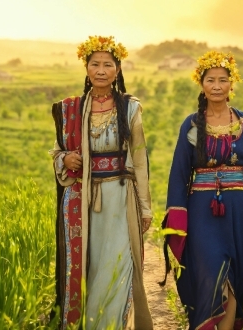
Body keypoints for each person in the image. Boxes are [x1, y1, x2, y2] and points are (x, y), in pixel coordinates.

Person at [161, 51, 243, 330]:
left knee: (235, 281)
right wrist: (177, 217)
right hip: (203, 212)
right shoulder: (191, 125)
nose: (216, 86)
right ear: (201, 84)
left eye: (222, 80)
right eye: (210, 80)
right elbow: (179, 174)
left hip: (239, 210)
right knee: (211, 273)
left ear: (231, 84)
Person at [49, 36, 153, 330]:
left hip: (121, 199)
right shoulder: (72, 109)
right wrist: (65, 159)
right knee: (90, 270)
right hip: (83, 201)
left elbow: (141, 160)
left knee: (116, 265)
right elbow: (56, 151)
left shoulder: (130, 108)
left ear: (118, 70)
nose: (101, 70)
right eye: (95, 64)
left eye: (108, 64)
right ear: (86, 68)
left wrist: (145, 208)